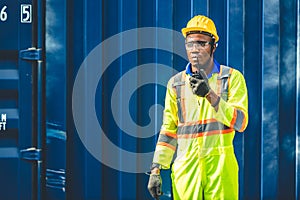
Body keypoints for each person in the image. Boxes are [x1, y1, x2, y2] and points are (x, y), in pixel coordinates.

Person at [147, 15, 248, 200]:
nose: (195, 49)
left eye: (202, 43)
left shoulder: (232, 78)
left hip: (221, 169)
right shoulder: (176, 84)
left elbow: (240, 123)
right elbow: (169, 129)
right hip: (187, 169)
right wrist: (156, 169)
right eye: (190, 43)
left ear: (214, 46)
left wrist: (211, 95)